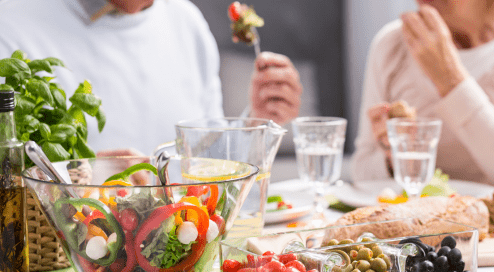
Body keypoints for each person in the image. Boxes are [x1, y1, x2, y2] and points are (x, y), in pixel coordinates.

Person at [0, 0, 302, 155]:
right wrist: (83, 180)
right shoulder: (10, 23)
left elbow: (206, 162)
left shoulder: (186, 20)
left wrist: (257, 123)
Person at [352, 0, 494, 199]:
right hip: (415, 224)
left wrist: (450, 80)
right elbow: (361, 174)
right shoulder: (392, 44)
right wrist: (395, 160)